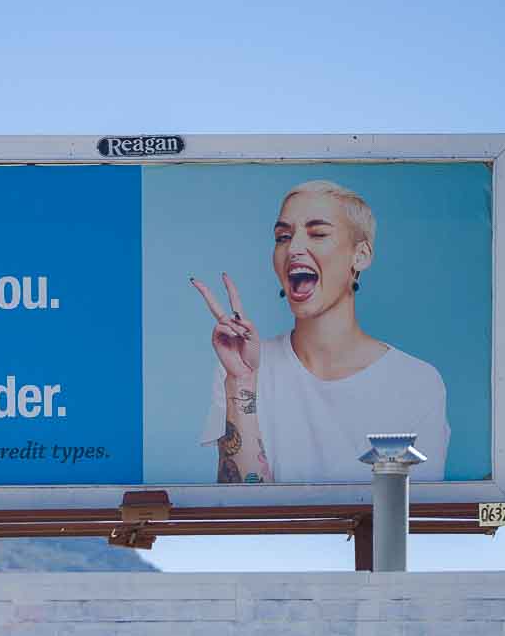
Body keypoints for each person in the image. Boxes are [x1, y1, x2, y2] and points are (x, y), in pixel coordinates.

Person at [192, 180, 448, 484]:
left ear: (361, 256)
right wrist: (241, 381)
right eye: (283, 237)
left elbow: (410, 515)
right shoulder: (240, 367)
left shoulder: (417, 383)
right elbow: (241, 510)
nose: (294, 248)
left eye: (318, 233)